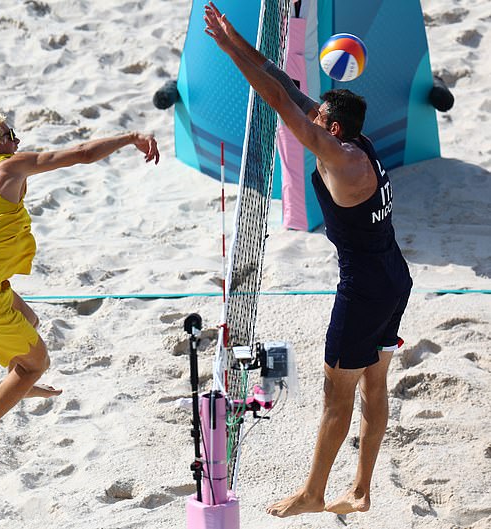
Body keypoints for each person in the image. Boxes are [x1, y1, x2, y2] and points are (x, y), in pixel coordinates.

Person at [204, 2, 412, 518]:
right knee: (375, 382)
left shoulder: (340, 157)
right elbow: (281, 82)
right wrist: (234, 40)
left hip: (364, 290)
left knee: (335, 394)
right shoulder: (354, 141)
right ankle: (361, 491)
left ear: (333, 130)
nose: (311, 118)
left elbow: (278, 103)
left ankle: (315, 492)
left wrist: (232, 51)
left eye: (318, 119)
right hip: (394, 277)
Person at [0, 113, 159, 463]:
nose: (17, 140)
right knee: (35, 363)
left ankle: (18, 385)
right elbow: (82, 154)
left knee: (30, 319)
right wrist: (130, 137)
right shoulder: (8, 166)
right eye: (9, 134)